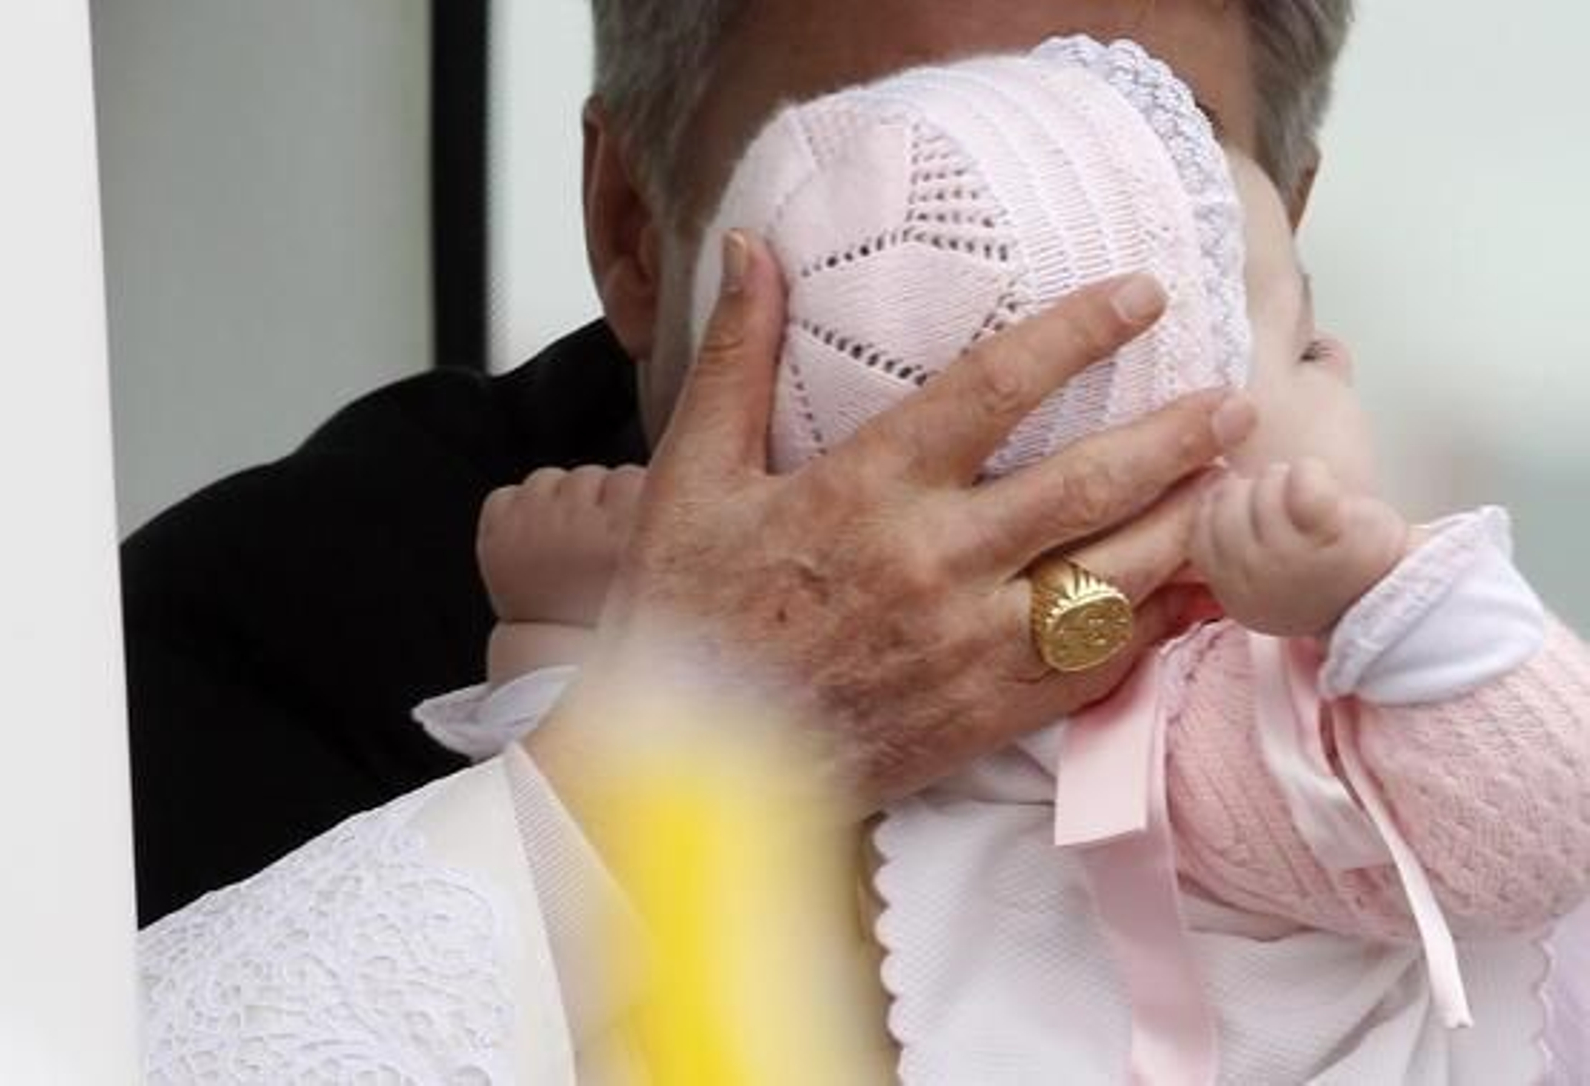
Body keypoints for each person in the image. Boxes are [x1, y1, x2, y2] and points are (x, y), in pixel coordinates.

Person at [452, 40, 1590, 1082]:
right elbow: (1535, 821)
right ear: (1144, 470)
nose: (1338, 361)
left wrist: (564, 628)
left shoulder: (822, 716)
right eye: (1295, 349)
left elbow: (563, 923)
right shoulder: (1212, 723)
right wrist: (1391, 606)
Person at [123, 0, 1353, 926]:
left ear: (1269, 236)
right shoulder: (248, 639)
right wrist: (655, 773)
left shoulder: (1352, 625)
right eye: (905, 187)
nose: (1014, 306)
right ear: (634, 230)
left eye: (1127, 183)